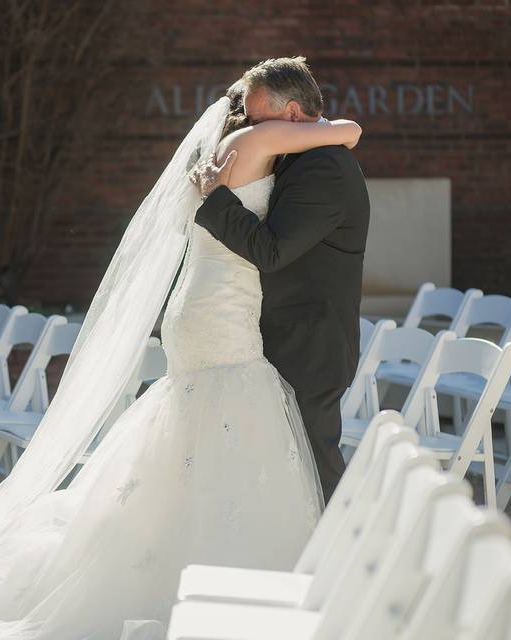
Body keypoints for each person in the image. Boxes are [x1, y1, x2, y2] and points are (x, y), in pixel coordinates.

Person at [0, 57, 365, 640]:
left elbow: (317, 176)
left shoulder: (298, 161)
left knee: (280, 447)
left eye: (258, 109)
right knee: (276, 445)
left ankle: (311, 579)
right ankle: (304, 584)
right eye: (248, 108)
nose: (248, 116)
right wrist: (338, 129)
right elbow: (333, 150)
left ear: (292, 111)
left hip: (271, 327)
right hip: (228, 318)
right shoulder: (263, 140)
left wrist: (324, 138)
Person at [194, 56, 370, 501]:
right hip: (277, 336)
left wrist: (216, 200)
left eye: (255, 121)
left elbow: (273, 251)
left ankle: (340, 560)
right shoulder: (299, 157)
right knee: (279, 476)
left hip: (309, 345)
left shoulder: (323, 167)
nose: (248, 129)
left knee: (316, 471)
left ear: (292, 113)